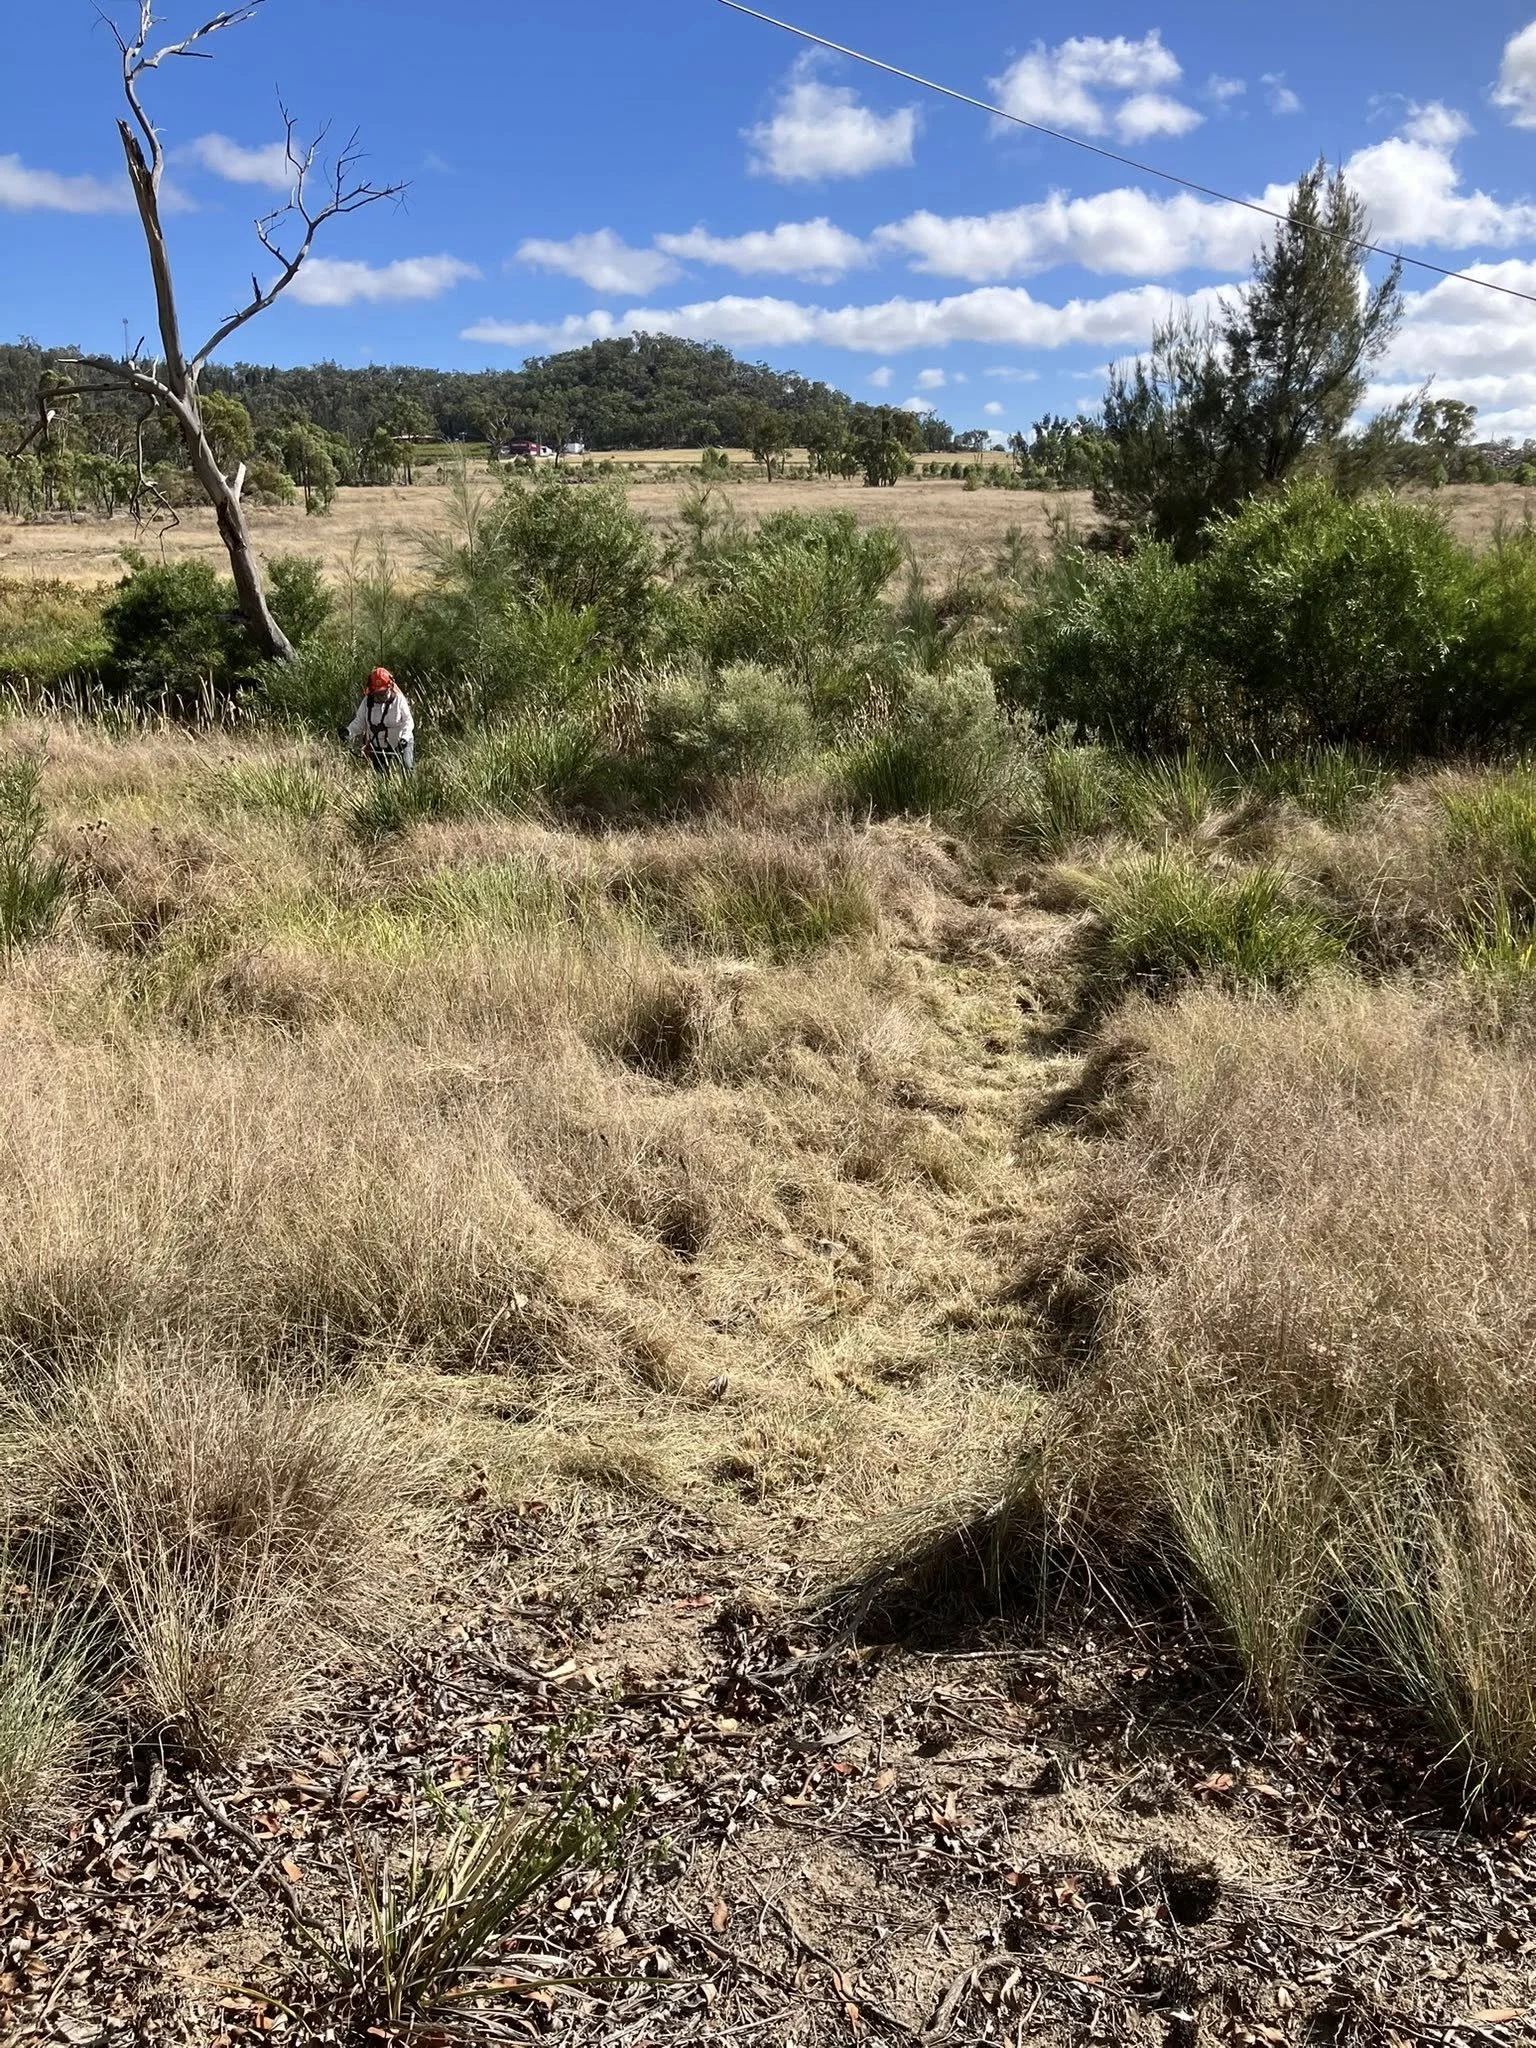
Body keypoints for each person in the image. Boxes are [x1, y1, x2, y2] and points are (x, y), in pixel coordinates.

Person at [345, 667, 415, 772]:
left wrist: (404, 739)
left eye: (382, 692)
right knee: (380, 777)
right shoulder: (367, 702)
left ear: (389, 687)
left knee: (407, 769)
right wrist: (348, 732)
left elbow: (408, 722)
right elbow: (359, 722)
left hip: (401, 744)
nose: (380, 696)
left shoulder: (399, 700)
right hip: (378, 747)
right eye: (376, 693)